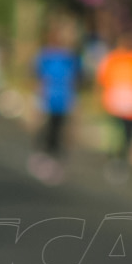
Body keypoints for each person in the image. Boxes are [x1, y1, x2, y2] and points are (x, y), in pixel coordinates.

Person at [96, 31, 132, 183]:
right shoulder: (114, 58)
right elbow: (103, 79)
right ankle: (113, 159)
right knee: (115, 135)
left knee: (129, 137)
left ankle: (122, 161)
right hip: (115, 105)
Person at [29, 22, 82, 185]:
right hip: (47, 98)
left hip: (64, 100)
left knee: (59, 133)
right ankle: (41, 158)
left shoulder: (71, 59)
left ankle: (55, 161)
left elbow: (78, 79)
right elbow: (37, 75)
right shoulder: (46, 56)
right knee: (44, 130)